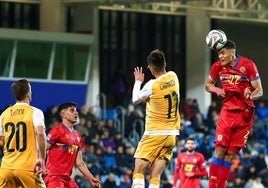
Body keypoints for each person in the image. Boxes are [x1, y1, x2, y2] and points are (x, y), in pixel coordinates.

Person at [205, 40, 263, 188]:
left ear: (232, 52)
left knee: (230, 156)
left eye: (223, 53)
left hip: (245, 116)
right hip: (227, 114)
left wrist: (251, 94)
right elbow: (208, 85)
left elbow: (259, 90)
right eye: (219, 53)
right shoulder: (217, 67)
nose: (220, 56)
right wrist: (217, 90)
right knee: (219, 151)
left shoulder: (248, 65)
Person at [131, 49, 180, 188]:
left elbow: (135, 99)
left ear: (151, 68)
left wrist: (138, 82)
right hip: (171, 135)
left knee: (139, 170)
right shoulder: (173, 76)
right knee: (155, 175)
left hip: (155, 133)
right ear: (165, 63)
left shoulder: (151, 85)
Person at [0, 79, 47, 187]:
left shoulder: (4, 114)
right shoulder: (35, 112)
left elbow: (1, 142)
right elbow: (40, 133)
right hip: (27, 168)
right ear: (28, 94)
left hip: (6, 169)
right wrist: (41, 158)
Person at [44, 102, 102, 188]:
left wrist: (91, 178)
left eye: (76, 110)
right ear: (63, 114)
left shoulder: (77, 135)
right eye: (72, 110)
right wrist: (41, 165)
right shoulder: (56, 131)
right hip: (54, 177)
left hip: (67, 178)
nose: (76, 113)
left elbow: (79, 162)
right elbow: (41, 149)